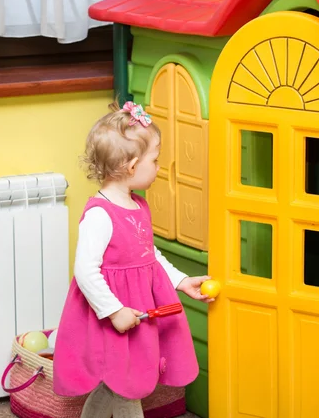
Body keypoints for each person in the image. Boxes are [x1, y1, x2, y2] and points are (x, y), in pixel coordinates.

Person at [53, 100, 214, 418]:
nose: (159, 167)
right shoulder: (100, 215)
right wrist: (113, 312)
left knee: (117, 383)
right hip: (115, 313)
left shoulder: (138, 206)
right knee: (125, 386)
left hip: (139, 310)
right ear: (131, 166)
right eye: (155, 160)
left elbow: (148, 254)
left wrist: (180, 280)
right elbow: (85, 271)